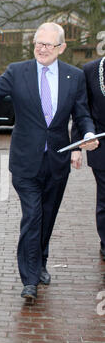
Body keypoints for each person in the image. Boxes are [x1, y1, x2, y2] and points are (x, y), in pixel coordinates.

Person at [0, 22, 98, 300]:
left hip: (57, 162)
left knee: (47, 217)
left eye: (48, 44)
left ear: (61, 48)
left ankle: (41, 262)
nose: (42, 49)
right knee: (33, 215)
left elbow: (82, 114)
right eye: (38, 43)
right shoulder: (17, 71)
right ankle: (30, 278)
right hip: (25, 161)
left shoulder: (74, 77)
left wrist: (87, 132)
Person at [71, 57, 105, 262]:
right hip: (100, 144)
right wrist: (76, 147)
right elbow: (81, 111)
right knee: (104, 197)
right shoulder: (91, 70)